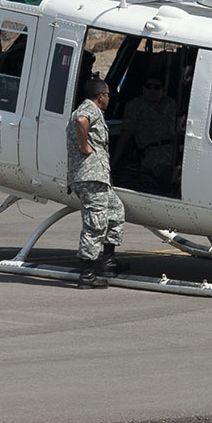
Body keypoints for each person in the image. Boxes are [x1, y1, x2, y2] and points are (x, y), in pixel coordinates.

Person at [67, 77, 125, 288]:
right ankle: (87, 274)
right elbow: (81, 121)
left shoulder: (93, 110)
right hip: (90, 176)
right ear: (101, 96)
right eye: (108, 95)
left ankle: (108, 261)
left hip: (97, 177)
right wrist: (85, 147)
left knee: (116, 210)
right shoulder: (88, 109)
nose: (109, 99)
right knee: (95, 223)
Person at [115, 76, 178, 185]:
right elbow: (126, 134)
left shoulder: (171, 104)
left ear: (163, 90)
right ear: (143, 89)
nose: (152, 91)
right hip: (153, 152)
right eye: (149, 87)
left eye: (157, 88)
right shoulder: (135, 106)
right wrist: (113, 162)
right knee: (166, 173)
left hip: (175, 149)